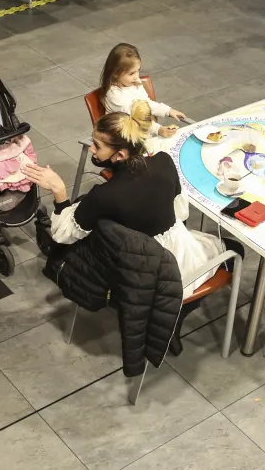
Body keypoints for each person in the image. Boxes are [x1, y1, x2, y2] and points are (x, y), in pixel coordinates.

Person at [23, 101, 221, 299]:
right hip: (184, 255)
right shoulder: (164, 161)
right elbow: (180, 212)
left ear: (120, 154)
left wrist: (59, 191)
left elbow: (62, 234)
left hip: (142, 272)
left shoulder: (105, 195)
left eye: (97, 146)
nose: (91, 149)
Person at [99, 43, 186, 139]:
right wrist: (158, 129)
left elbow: (146, 104)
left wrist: (167, 110)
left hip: (141, 135)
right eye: (131, 73)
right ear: (115, 73)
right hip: (122, 140)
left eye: (138, 70)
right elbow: (135, 118)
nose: (136, 76)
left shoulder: (135, 82)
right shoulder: (115, 95)